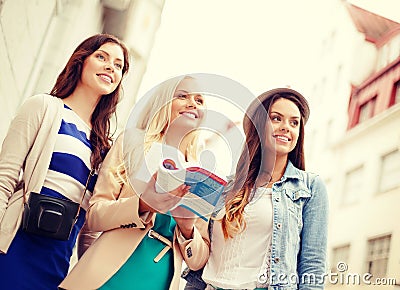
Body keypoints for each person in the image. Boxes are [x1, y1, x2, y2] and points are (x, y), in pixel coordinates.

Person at [0, 33, 130, 289]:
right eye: (101, 57)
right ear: (81, 61)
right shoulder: (44, 107)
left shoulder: (103, 146)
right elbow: (4, 177)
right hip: (17, 243)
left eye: (118, 65)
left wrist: (87, 275)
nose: (110, 67)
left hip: (59, 258)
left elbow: (90, 221)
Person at [59, 75, 211, 290]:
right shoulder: (131, 143)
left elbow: (198, 259)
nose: (192, 103)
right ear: (164, 102)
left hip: (160, 281)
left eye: (199, 100)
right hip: (108, 274)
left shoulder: (201, 175)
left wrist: (188, 230)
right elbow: (94, 216)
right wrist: (142, 205)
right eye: (182, 96)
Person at [184, 88, 329, 289]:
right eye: (276, 118)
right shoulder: (225, 188)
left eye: (294, 122)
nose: (286, 127)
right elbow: (202, 255)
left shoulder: (310, 187)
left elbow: (313, 266)